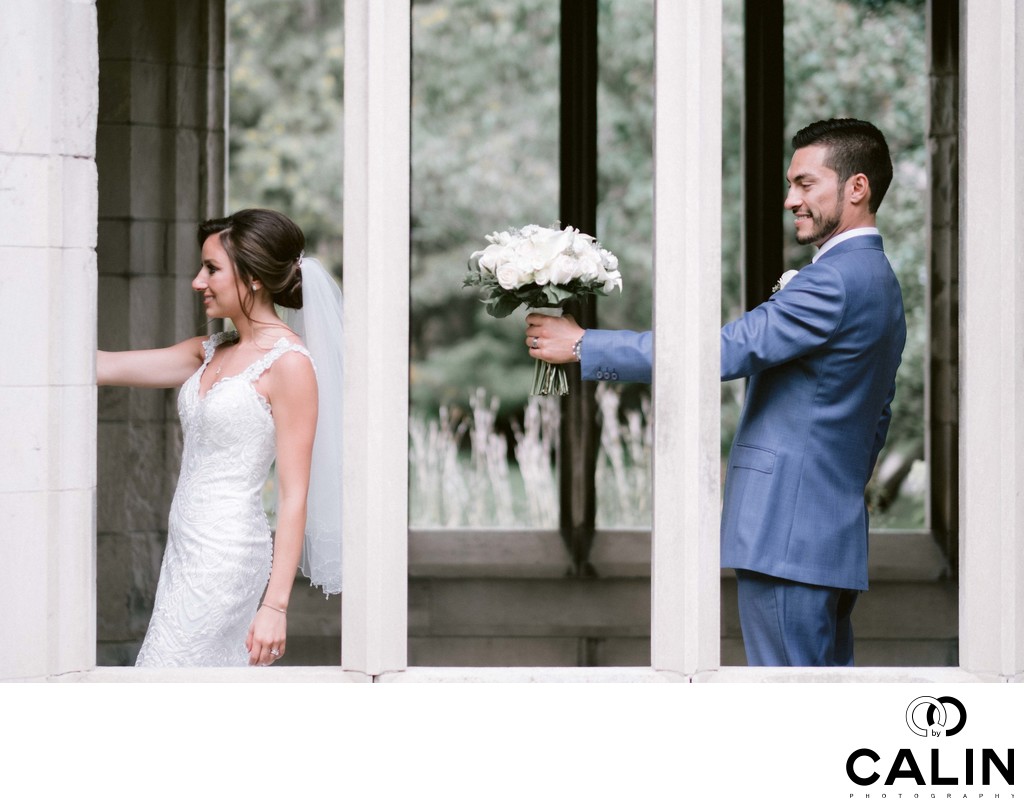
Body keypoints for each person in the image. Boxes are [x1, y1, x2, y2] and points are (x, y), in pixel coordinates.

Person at [524, 118, 907, 666]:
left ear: (857, 188)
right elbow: (878, 415)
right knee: (823, 707)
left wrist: (585, 346)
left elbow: (725, 350)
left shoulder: (834, 281)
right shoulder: (880, 281)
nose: (789, 200)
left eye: (804, 184)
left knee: (787, 709)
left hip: (788, 535)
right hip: (829, 531)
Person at [97, 208, 344, 667]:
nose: (197, 281)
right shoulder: (209, 350)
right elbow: (99, 365)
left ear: (252, 277)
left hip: (227, 556)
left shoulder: (289, 364)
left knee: (163, 676)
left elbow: (294, 497)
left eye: (211, 269)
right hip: (185, 547)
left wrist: (275, 606)